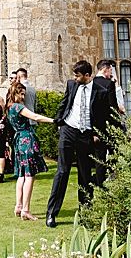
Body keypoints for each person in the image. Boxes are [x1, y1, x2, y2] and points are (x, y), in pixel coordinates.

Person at [45, 60, 116, 228]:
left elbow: (105, 116)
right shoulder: (71, 85)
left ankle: (85, 213)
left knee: (84, 174)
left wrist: (98, 134)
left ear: (87, 75)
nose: (75, 78)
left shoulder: (101, 91)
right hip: (68, 131)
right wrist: (59, 122)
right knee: (62, 172)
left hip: (85, 135)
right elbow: (64, 104)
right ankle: (51, 213)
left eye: (77, 76)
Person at [6, 81, 54, 220]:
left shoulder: (9, 107)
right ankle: (26, 209)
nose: (23, 96)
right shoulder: (18, 107)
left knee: (22, 174)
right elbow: (35, 117)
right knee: (29, 175)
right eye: (21, 94)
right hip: (26, 140)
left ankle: (19, 205)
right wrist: (53, 121)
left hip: (19, 141)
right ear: (16, 93)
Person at [92, 59, 120, 186]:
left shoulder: (90, 83)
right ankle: (113, 180)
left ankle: (99, 184)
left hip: (95, 126)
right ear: (105, 69)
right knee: (114, 153)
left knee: (99, 158)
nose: (111, 74)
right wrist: (118, 125)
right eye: (110, 70)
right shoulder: (108, 84)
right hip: (108, 125)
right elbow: (112, 107)